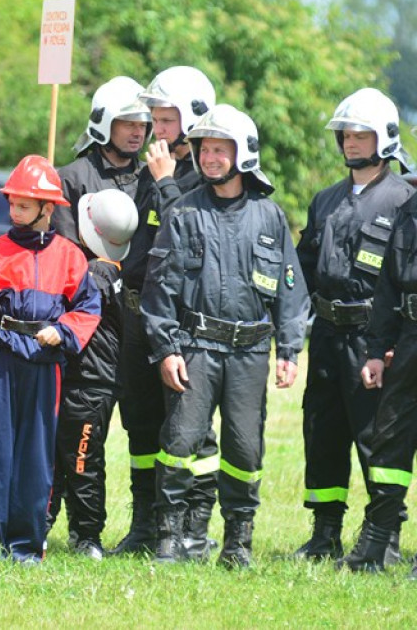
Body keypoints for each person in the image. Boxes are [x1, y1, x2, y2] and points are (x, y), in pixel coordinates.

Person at [141, 104, 309, 568]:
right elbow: (160, 290)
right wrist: (166, 349)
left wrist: (289, 350)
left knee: (244, 448)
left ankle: (238, 541)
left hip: (251, 352)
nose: (210, 158)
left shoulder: (269, 216)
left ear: (244, 154)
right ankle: (171, 539)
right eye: (204, 149)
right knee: (179, 443)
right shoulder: (183, 213)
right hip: (194, 349)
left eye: (220, 149)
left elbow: (292, 291)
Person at [294, 88, 413, 562]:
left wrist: (390, 345)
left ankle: (383, 538)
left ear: (384, 138)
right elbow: (303, 269)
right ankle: (325, 534)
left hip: (373, 338)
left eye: (361, 134)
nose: (351, 142)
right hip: (325, 337)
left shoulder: (405, 199)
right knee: (322, 433)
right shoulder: (325, 200)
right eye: (346, 133)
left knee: (376, 439)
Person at [0, 155, 101, 563]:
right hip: (0, 362)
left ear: (47, 209)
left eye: (25, 204)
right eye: (13, 202)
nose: (15, 211)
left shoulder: (70, 256)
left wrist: (61, 332)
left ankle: (26, 546)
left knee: (37, 456)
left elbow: (88, 308)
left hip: (45, 366)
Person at [113, 66, 218, 557]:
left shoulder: (205, 175)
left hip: (183, 325)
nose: (156, 127)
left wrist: (166, 182)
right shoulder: (148, 169)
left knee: (188, 428)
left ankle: (194, 528)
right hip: (138, 315)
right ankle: (145, 525)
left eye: (167, 116)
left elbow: (191, 238)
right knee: (139, 423)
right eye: (154, 116)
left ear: (194, 117)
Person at [338, 134, 417, 577]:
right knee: (389, 439)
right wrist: (375, 350)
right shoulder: (410, 208)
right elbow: (388, 288)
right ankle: (377, 543)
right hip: (408, 341)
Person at [47, 189, 138, 560]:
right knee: (58, 457)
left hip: (90, 383)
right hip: (83, 379)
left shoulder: (95, 274)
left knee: (81, 459)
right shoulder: (108, 267)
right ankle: (45, 525)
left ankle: (88, 536)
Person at [51, 75, 151, 243]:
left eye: (142, 125)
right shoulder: (72, 179)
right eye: (129, 124)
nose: (138, 133)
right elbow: (66, 249)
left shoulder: (152, 177)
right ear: (105, 125)